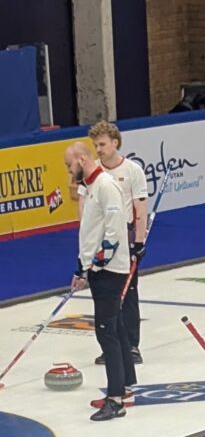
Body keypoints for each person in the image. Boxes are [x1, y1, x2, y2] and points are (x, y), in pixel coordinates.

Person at [66, 142, 135, 422]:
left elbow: (114, 231)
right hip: (97, 269)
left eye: (69, 165)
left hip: (108, 272)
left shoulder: (106, 186)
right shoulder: (91, 186)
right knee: (116, 328)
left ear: (82, 159)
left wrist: (96, 265)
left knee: (106, 331)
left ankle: (115, 400)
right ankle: (126, 385)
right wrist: (81, 269)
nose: (69, 171)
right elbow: (91, 232)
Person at [88, 121, 148, 371]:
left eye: (102, 144)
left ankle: (132, 344)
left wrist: (139, 242)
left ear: (115, 143)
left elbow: (140, 207)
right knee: (104, 294)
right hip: (98, 238)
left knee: (128, 290)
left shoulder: (132, 170)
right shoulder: (94, 173)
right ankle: (109, 344)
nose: (99, 149)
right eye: (95, 145)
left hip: (123, 236)